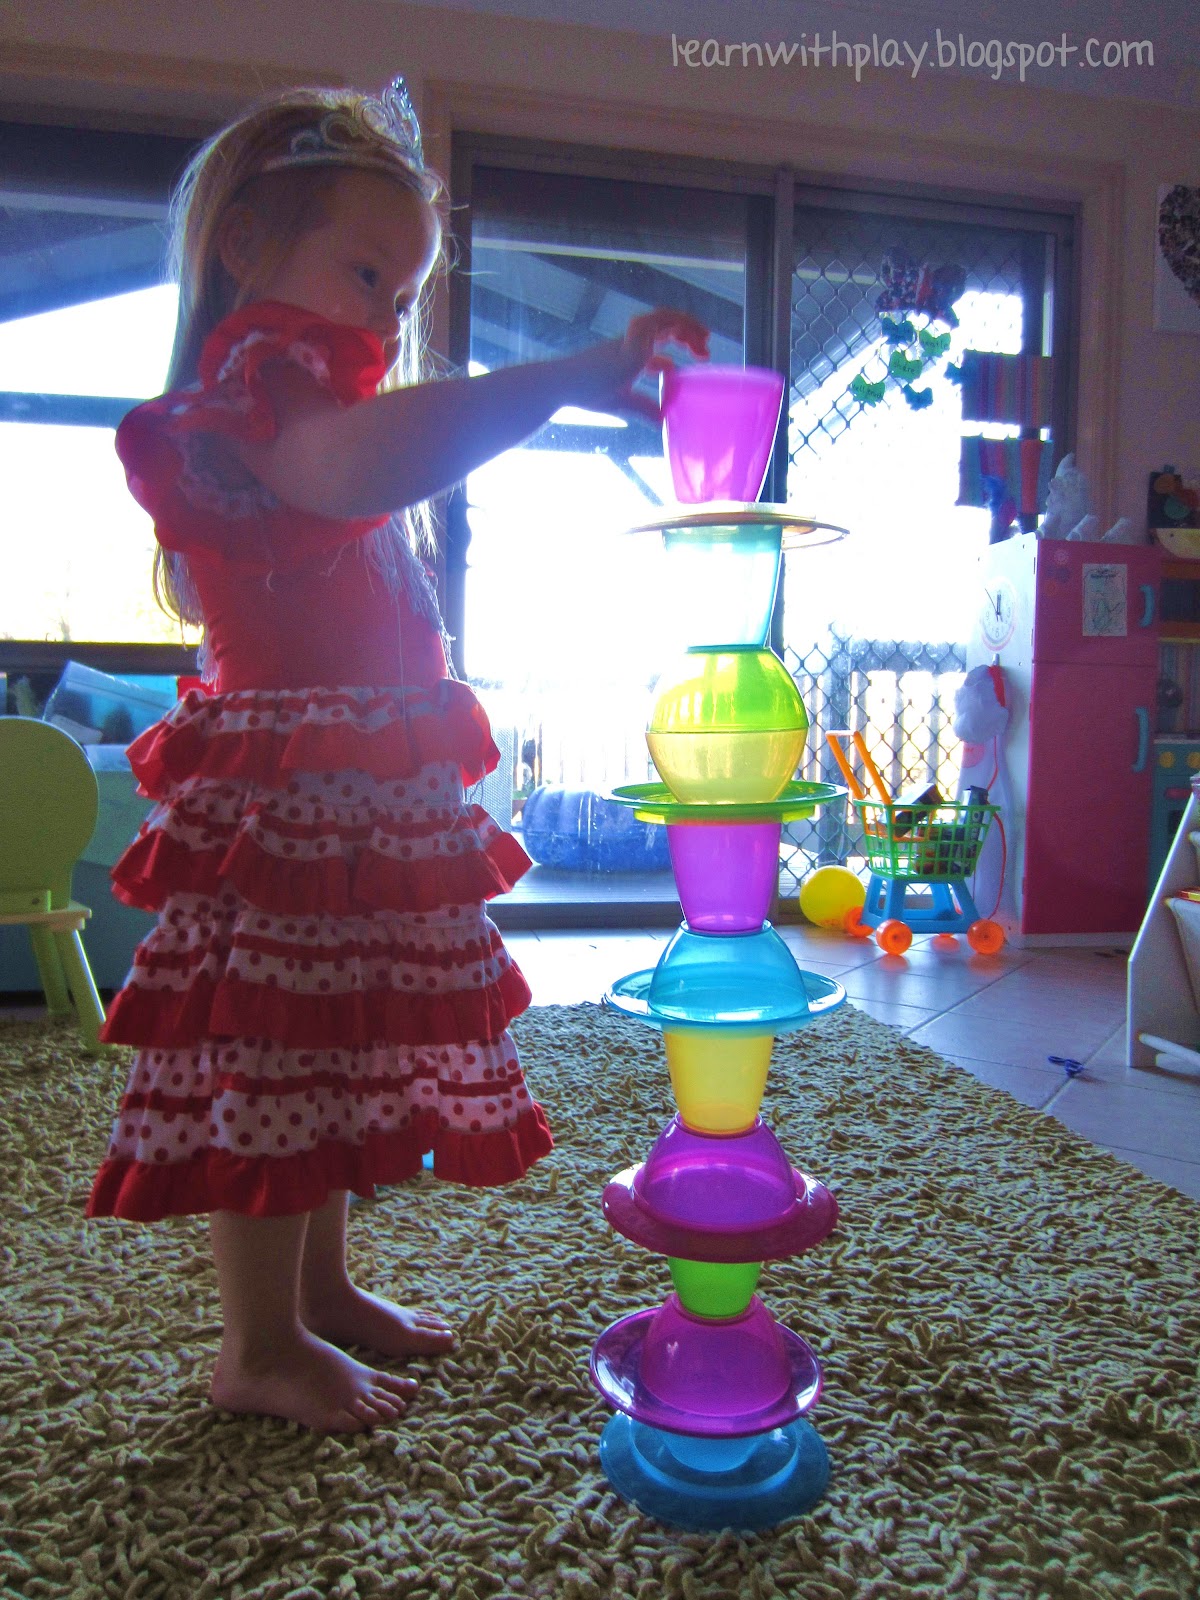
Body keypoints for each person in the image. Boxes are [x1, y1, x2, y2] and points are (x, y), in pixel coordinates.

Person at [84, 78, 708, 1436]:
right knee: (274, 1070)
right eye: (367, 269)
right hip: (288, 790)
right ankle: (258, 1344)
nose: (384, 311)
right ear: (247, 245)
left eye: (402, 290)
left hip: (350, 782)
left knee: (328, 1064)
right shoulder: (256, 389)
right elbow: (353, 473)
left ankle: (325, 1294)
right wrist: (585, 372)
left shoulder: (305, 391)